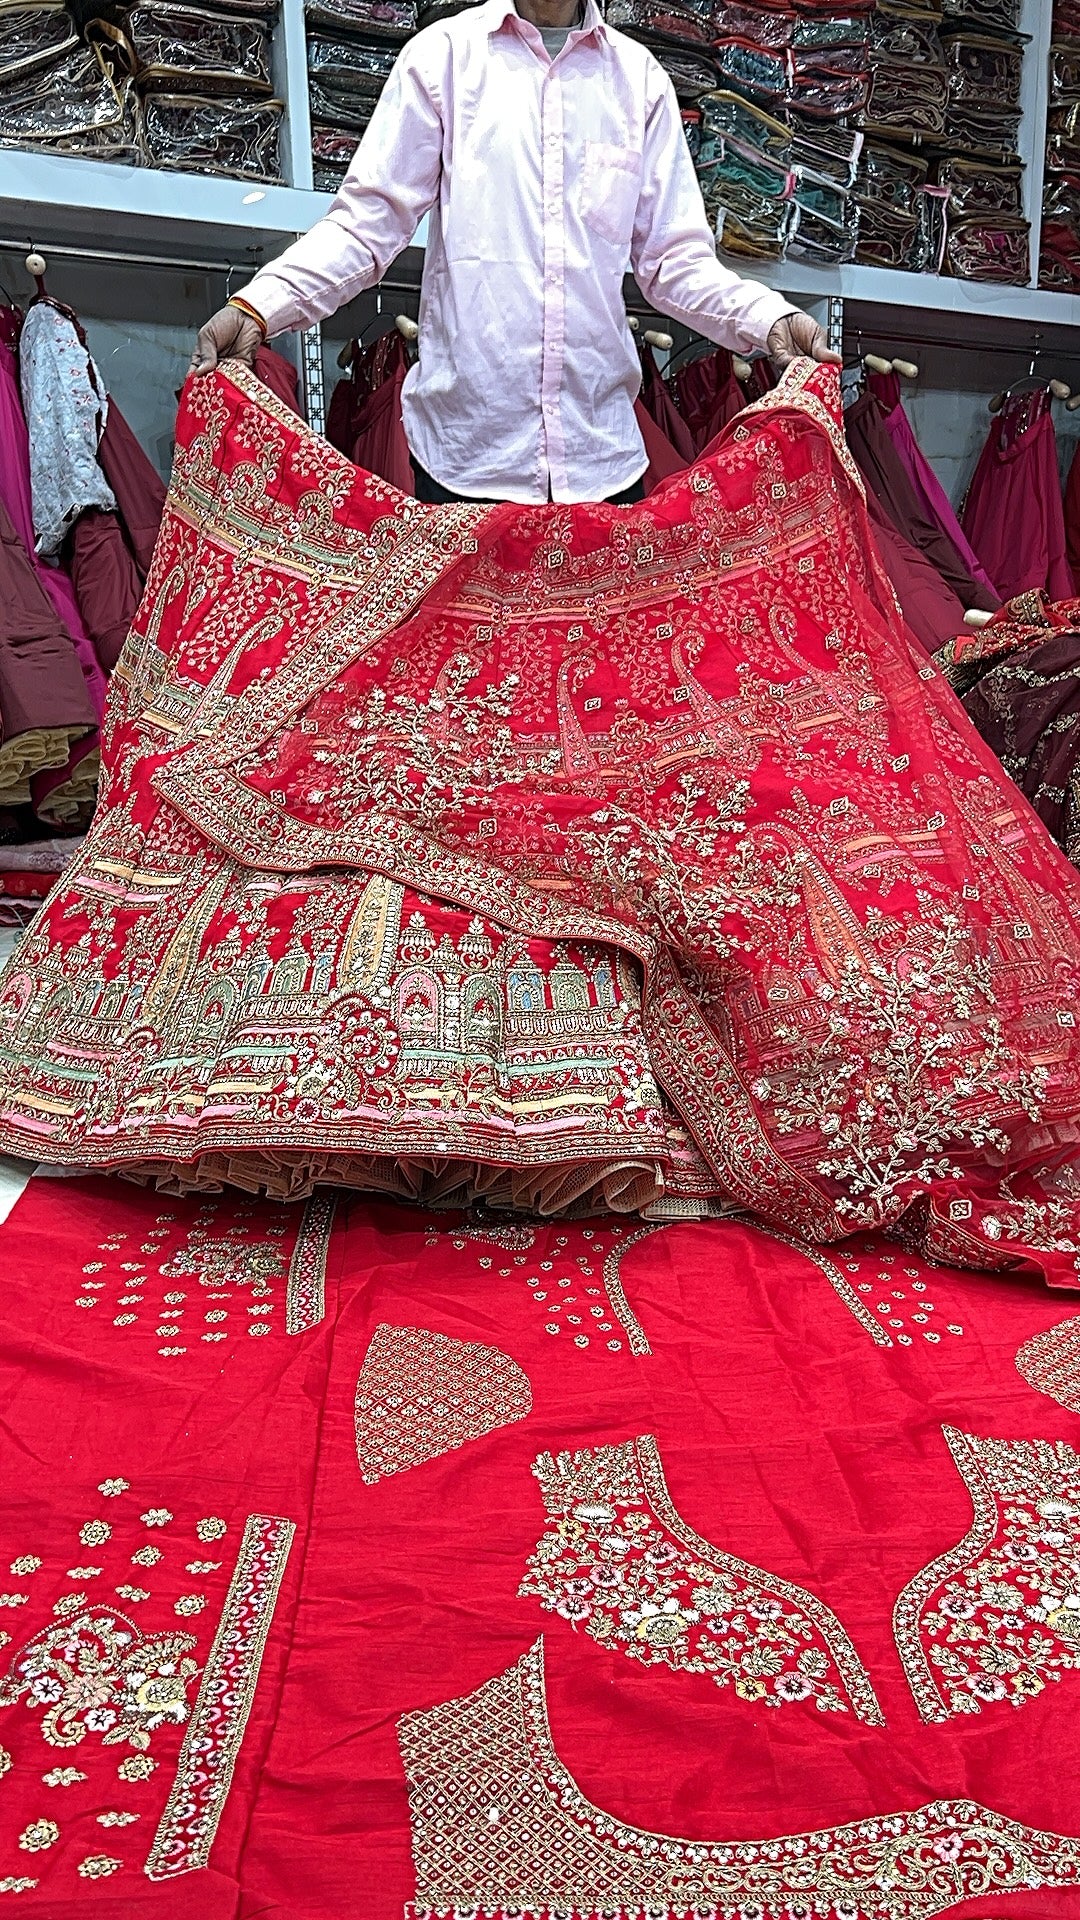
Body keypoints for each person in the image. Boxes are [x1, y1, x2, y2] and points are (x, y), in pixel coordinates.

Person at [189, 0, 838, 505]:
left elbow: (675, 262)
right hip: (464, 467)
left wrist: (768, 321)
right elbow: (367, 226)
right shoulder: (442, 60)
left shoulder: (638, 81)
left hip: (603, 466)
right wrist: (259, 307)